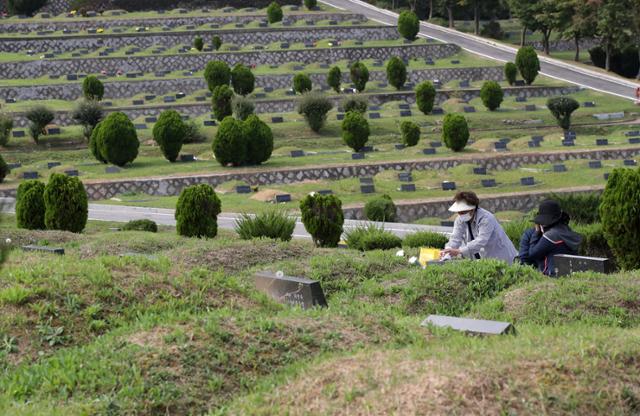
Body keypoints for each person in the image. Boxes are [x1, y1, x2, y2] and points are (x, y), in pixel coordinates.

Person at [441, 191, 518, 264]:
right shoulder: (460, 219)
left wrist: (459, 251)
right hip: (483, 260)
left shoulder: (486, 218)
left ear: (472, 209)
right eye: (458, 212)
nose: (460, 214)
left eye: (463, 212)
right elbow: (455, 238)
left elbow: (481, 240)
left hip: (502, 257)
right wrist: (448, 250)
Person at [519, 199, 583, 276]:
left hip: (552, 276)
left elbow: (533, 254)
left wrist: (536, 232)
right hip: (570, 274)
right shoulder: (566, 230)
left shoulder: (550, 236)